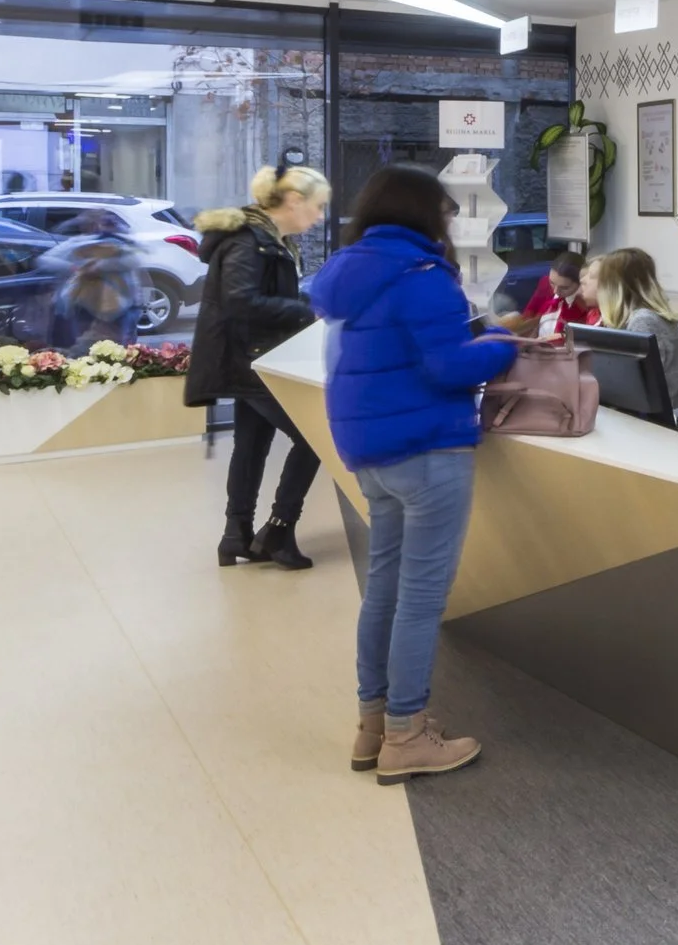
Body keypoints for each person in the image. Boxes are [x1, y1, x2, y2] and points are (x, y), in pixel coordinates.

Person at [306, 164, 518, 784]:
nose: (452, 223)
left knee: (385, 589)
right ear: (426, 213)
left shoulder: (349, 273)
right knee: (421, 599)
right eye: (448, 212)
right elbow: (449, 368)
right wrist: (504, 343)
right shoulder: (423, 277)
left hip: (370, 450)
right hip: (427, 450)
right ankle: (407, 735)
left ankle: (372, 726)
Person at [188, 163, 330, 570]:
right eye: (317, 206)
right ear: (293, 200)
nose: (319, 216)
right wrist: (305, 309)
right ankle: (279, 531)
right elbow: (240, 301)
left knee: (251, 445)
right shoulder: (249, 241)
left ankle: (236, 534)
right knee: (314, 436)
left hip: (252, 358)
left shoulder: (266, 239)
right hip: (250, 360)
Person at [584, 247, 678, 409]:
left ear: (614, 286)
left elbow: (633, 389)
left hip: (654, 422)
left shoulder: (643, 322)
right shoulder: (641, 317)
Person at [40, 211, 149, 348]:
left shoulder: (118, 242)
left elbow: (133, 260)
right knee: (89, 347)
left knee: (120, 348)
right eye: (90, 224)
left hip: (121, 307)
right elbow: (44, 260)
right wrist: (75, 267)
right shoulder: (77, 244)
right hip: (88, 306)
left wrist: (99, 266)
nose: (96, 227)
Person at [518, 250, 595, 339]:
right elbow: (529, 314)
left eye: (564, 288)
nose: (555, 291)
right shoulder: (545, 284)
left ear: (580, 283)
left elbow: (580, 338)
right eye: (552, 283)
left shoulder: (585, 303)